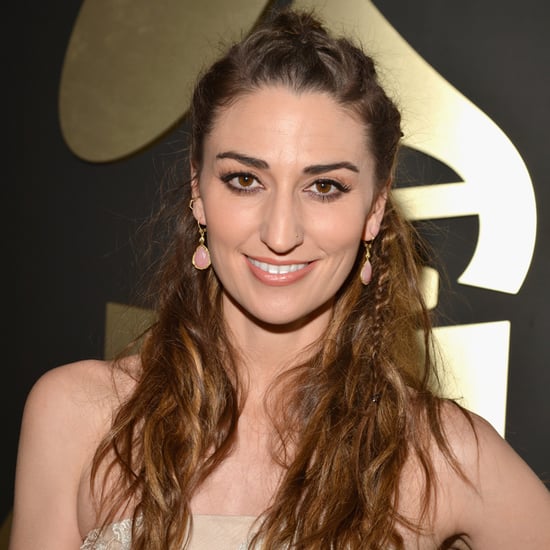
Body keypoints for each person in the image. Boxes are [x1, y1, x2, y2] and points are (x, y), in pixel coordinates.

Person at [9, 8, 550, 550]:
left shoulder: (437, 454)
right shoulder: (76, 417)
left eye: (325, 187)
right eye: (245, 179)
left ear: (375, 208)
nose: (280, 231)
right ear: (198, 190)